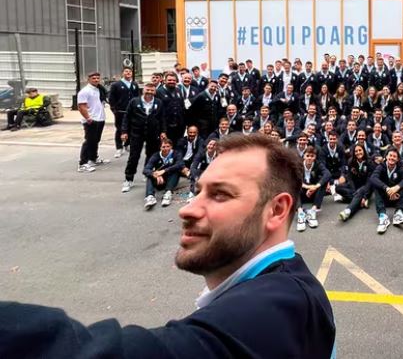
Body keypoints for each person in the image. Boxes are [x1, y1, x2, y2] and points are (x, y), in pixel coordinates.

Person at [0, 133, 336, 357]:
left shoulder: (277, 308)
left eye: (220, 194)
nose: (187, 208)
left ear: (276, 210)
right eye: (199, 190)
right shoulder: (289, 283)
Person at [121, 83, 166, 193]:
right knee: (134, 156)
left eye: (152, 90)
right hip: (136, 133)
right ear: (143, 90)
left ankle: (147, 173)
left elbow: (162, 118)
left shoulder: (158, 102)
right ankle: (128, 179)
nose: (149, 92)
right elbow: (127, 117)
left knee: (151, 156)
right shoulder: (134, 101)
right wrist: (124, 131)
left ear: (154, 91)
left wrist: (163, 131)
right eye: (147, 90)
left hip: (153, 133)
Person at [370, 148, 403, 233]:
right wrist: (386, 188)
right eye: (390, 155)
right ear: (386, 156)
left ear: (397, 159)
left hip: (397, 198)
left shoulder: (400, 167)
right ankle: (383, 217)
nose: (392, 158)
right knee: (376, 185)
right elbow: (373, 178)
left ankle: (398, 214)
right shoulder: (381, 166)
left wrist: (397, 187)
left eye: (394, 156)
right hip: (384, 198)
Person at [77, 72, 107, 173]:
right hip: (91, 120)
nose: (96, 80)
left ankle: (93, 158)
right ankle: (83, 163)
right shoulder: (85, 91)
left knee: (96, 140)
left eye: (98, 78)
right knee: (89, 141)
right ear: (88, 79)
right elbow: (81, 106)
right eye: (93, 78)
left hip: (100, 118)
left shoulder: (99, 89)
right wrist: (88, 118)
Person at [142, 138, 184, 210]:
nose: (166, 149)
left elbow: (180, 164)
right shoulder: (156, 155)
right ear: (160, 147)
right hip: (159, 180)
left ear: (171, 147)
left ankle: (167, 194)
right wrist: (154, 174)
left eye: (168, 146)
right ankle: (150, 197)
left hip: (171, 179)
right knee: (149, 176)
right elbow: (145, 170)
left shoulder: (176, 154)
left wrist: (164, 170)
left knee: (176, 170)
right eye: (163, 147)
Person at [297, 146, 331, 232]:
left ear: (315, 157)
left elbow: (327, 174)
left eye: (312, 156)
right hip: (302, 193)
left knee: (323, 183)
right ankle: (301, 213)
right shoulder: (298, 164)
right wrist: (307, 187)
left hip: (313, 193)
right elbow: (293, 178)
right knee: (293, 186)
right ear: (304, 156)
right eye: (307, 155)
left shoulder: (318, 164)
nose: (309, 158)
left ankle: (312, 211)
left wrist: (316, 187)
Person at [107, 68, 139, 156]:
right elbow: (111, 98)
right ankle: (119, 147)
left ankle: (127, 144)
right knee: (120, 129)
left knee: (131, 128)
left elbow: (137, 97)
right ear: (122, 73)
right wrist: (114, 109)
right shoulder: (116, 85)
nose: (128, 73)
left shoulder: (134, 84)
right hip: (120, 111)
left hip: (132, 111)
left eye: (130, 71)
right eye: (126, 71)